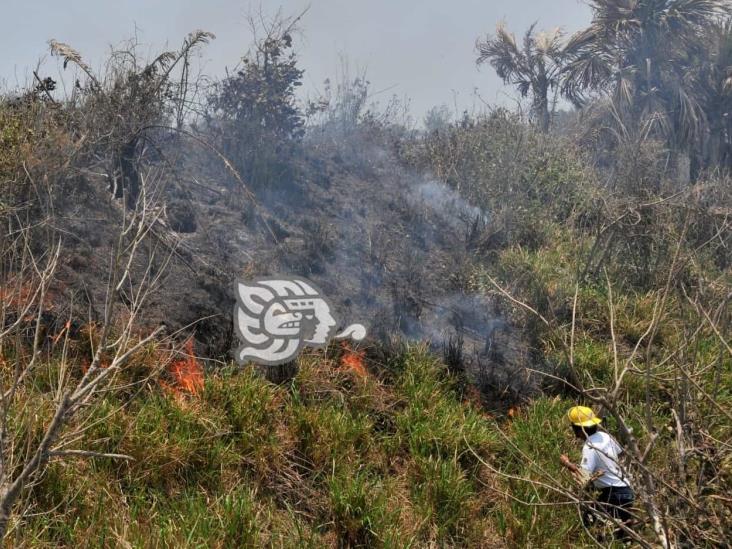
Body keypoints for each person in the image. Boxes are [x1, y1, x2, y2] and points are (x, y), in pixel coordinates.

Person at [559, 405, 635, 541]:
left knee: (589, 522)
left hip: (614, 494)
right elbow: (619, 453)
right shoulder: (605, 436)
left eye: (573, 427)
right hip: (627, 490)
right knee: (625, 534)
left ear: (579, 429)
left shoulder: (589, 447)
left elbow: (583, 475)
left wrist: (566, 463)